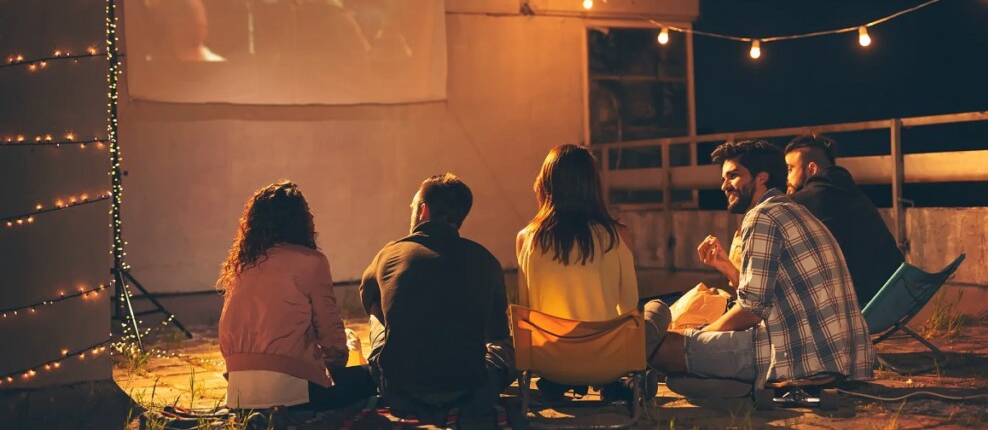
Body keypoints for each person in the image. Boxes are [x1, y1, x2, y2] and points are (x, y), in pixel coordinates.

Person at [647, 140, 875, 387]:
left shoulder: (761, 216)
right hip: (838, 356)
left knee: (664, 348)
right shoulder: (792, 210)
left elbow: (751, 310)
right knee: (695, 337)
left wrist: (700, 334)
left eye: (733, 176)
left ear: (761, 177)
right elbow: (769, 296)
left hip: (799, 357)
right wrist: (728, 269)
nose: (724, 185)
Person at [517, 144, 663, 400]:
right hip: (607, 363)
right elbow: (629, 311)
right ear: (592, 185)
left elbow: (527, 311)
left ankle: (562, 384)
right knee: (658, 310)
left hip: (550, 364)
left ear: (547, 184)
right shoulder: (618, 235)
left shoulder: (526, 239)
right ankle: (618, 384)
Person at [359, 173, 513, 416]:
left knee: (377, 311)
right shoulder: (485, 260)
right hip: (471, 392)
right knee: (504, 346)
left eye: (413, 206)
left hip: (399, 393)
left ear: (423, 211)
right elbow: (497, 331)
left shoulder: (389, 254)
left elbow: (368, 300)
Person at [217, 181, 375, 410]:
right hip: (293, 394)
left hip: (239, 396)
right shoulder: (311, 261)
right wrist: (336, 362)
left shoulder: (241, 266)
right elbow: (332, 339)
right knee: (369, 376)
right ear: (302, 221)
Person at [785, 135, 904, 306]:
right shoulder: (854, 193)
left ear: (811, 169)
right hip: (894, 295)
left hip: (856, 302)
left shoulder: (805, 201)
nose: (787, 178)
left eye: (790, 169)